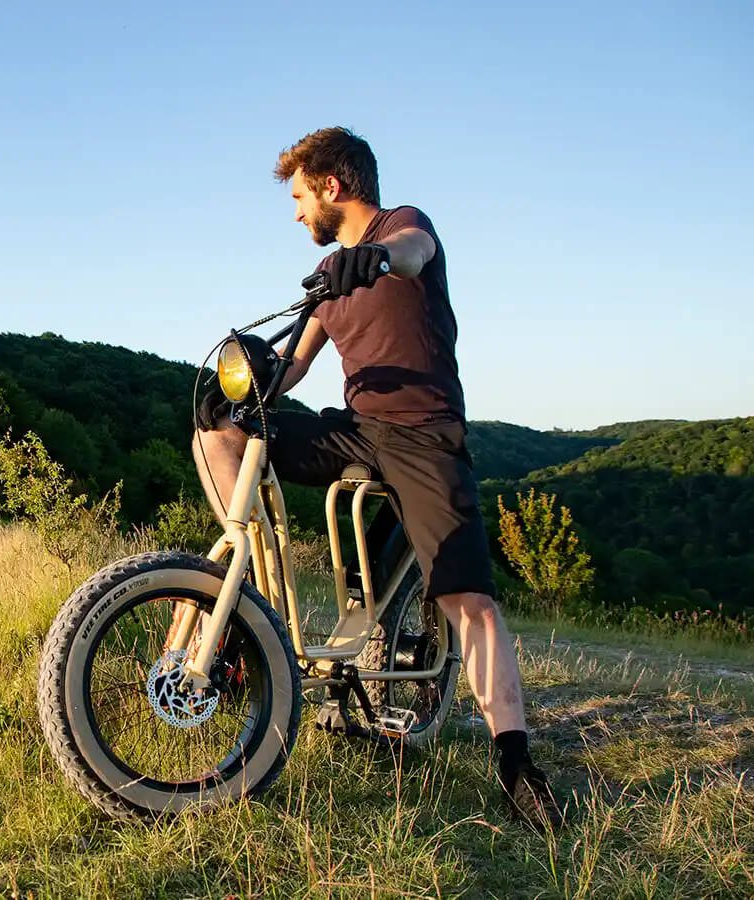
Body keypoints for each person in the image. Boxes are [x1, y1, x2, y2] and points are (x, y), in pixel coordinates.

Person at [192, 126, 563, 830]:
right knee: (220, 431)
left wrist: (375, 261)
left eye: (300, 196)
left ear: (333, 186)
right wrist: (246, 390)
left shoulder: (402, 230)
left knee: (470, 603)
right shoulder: (328, 282)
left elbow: (412, 255)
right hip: (356, 430)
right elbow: (293, 369)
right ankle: (254, 601)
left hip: (424, 437)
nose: (296, 212)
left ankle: (516, 763)